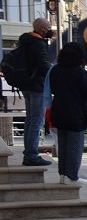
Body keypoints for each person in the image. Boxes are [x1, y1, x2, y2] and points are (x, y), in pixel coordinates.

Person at [48, 42, 87, 186]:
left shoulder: (55, 70)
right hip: (75, 113)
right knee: (75, 146)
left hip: (59, 111)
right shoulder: (79, 71)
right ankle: (72, 176)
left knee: (62, 146)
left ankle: (63, 174)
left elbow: (53, 88)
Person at [18, 18, 54, 166]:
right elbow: (43, 65)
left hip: (26, 85)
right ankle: (31, 155)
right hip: (37, 86)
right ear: (42, 29)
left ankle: (28, 153)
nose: (50, 30)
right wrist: (55, 71)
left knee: (30, 120)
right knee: (37, 121)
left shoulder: (25, 41)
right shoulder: (38, 43)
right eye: (48, 27)